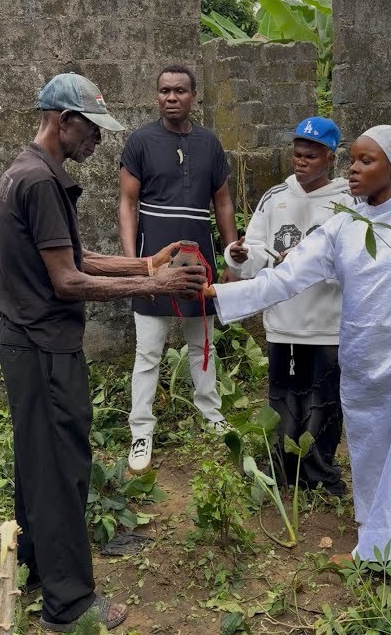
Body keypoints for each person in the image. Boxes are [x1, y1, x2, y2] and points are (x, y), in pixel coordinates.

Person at [0, 73, 206, 631]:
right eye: (91, 130)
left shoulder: (35, 172)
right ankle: (69, 604)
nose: (98, 142)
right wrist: (153, 286)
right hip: (42, 345)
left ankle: (40, 567)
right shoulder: (39, 181)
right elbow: (67, 280)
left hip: (35, 343)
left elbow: (78, 255)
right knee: (59, 467)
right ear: (62, 121)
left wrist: (143, 264)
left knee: (42, 462)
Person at [207, 125, 391, 562]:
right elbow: (285, 277)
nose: (355, 170)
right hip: (363, 363)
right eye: (355, 160)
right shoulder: (344, 226)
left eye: (367, 161)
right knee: (371, 451)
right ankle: (378, 538)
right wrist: (221, 293)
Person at [222, 116, 354, 494]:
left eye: (310, 156)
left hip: (327, 323)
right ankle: (282, 470)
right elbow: (258, 254)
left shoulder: (348, 203)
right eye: (297, 155)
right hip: (283, 321)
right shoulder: (275, 197)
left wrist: (311, 263)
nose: (301, 162)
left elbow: (352, 262)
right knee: (283, 398)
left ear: (330, 157)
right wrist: (239, 255)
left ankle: (318, 473)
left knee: (324, 402)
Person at [118, 64, 239, 473]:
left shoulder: (210, 144)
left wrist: (229, 255)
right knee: (148, 351)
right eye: (164, 91)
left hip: (198, 263)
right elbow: (127, 204)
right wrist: (136, 266)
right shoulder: (139, 142)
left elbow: (222, 201)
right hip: (154, 263)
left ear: (193, 96)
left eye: (180, 91)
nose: (172, 97)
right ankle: (141, 432)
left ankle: (211, 413)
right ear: (157, 96)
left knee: (202, 343)